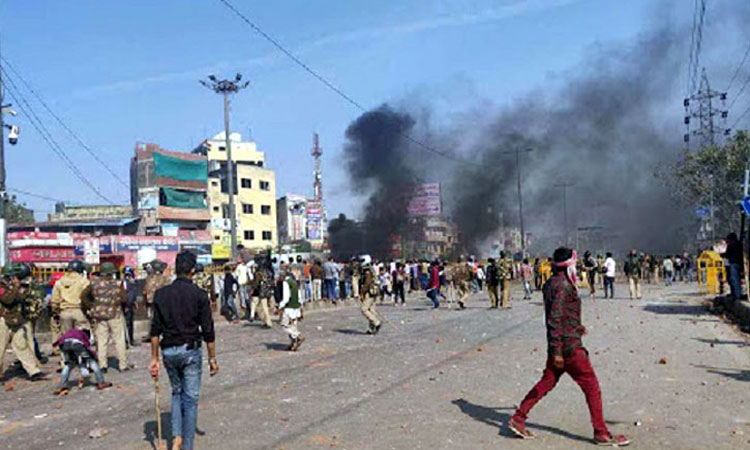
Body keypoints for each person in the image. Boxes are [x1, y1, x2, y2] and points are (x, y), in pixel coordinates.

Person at [508, 247, 630, 447]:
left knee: (546, 382)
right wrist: (557, 351)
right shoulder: (564, 285)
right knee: (591, 386)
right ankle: (601, 432)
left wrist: (577, 326)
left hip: (561, 343)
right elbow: (555, 318)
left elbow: (560, 314)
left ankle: (519, 417)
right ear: (567, 266)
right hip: (568, 348)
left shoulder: (550, 283)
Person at [149, 251, 218, 450]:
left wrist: (154, 359)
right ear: (193, 270)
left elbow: (154, 331)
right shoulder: (199, 294)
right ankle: (187, 445)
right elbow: (208, 331)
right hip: (190, 351)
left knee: (176, 393)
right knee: (190, 400)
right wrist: (212, 358)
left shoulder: (161, 295)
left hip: (169, 352)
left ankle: (176, 437)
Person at [0, 263, 46, 381]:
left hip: (16, 319)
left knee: (22, 346)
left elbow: (21, 298)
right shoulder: (1, 285)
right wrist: (16, 287)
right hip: (3, 320)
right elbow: (8, 299)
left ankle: (33, 371)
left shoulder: (16, 285)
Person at [84, 262, 129, 372]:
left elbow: (84, 296)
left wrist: (92, 306)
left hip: (100, 316)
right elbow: (124, 299)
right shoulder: (118, 283)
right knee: (119, 340)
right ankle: (122, 365)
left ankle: (102, 365)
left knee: (102, 340)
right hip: (115, 314)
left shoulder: (94, 283)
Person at [53, 328, 112, 395]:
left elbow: (60, 340)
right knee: (92, 362)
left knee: (68, 365)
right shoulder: (84, 335)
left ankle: (62, 386)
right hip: (77, 345)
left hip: (64, 345)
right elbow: (87, 348)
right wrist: (93, 356)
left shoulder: (71, 331)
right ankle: (101, 382)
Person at [51, 259, 90, 333]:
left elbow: (54, 300)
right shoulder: (84, 282)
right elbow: (88, 297)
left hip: (64, 312)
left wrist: (56, 312)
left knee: (66, 337)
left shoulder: (59, 282)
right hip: (80, 311)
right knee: (81, 337)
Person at [277, 271, 305, 351]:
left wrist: (280, 307)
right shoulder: (294, 283)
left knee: (285, 325)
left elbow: (286, 297)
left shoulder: (286, 283)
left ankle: (298, 336)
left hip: (289, 308)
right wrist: (301, 307)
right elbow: (300, 297)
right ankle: (293, 344)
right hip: (296, 308)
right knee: (293, 326)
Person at [359, 265, 381, 334]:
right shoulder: (372, 272)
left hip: (369, 294)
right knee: (371, 310)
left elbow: (366, 285)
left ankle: (376, 322)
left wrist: (362, 292)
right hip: (374, 293)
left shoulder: (368, 273)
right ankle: (371, 329)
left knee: (364, 309)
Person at [722, 233, 744, 300]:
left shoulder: (731, 245)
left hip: (734, 263)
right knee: (735, 279)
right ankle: (737, 293)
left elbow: (727, 255)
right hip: (739, 263)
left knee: (734, 279)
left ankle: (737, 295)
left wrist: (722, 255)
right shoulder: (739, 244)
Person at [122, 266, 138, 347]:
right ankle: (126, 341)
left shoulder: (131, 282)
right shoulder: (125, 283)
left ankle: (130, 340)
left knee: (129, 324)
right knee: (126, 324)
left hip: (129, 304)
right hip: (126, 305)